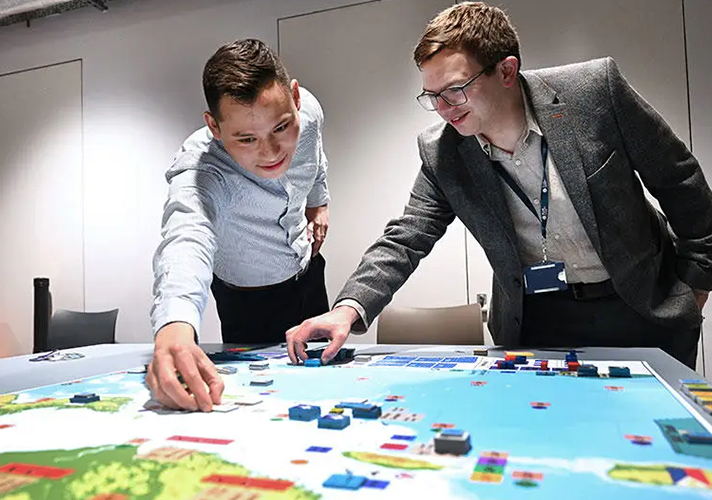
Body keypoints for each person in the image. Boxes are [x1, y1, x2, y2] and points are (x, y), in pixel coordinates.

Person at [286, 2, 712, 369]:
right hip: (539, 322)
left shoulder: (594, 92)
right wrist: (347, 310)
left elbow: (682, 183)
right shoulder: (443, 152)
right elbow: (405, 238)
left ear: (506, 70)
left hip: (639, 306)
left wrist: (695, 287)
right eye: (430, 95)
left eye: (453, 90)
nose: (441, 109)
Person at [147, 39, 331, 411]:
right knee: (269, 405)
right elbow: (186, 237)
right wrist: (176, 325)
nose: (272, 152)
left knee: (326, 390)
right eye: (246, 139)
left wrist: (318, 201)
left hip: (308, 271)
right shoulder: (200, 169)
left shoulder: (308, 112)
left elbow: (315, 155)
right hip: (250, 301)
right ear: (214, 126)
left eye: (281, 127)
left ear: (294, 97)